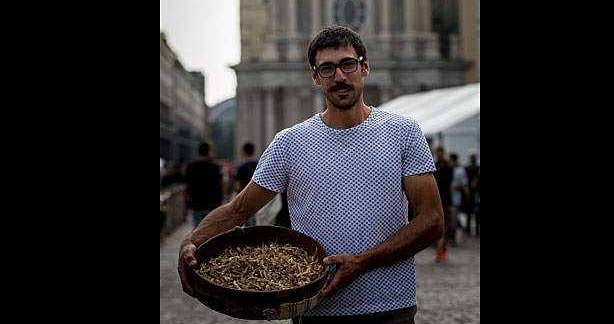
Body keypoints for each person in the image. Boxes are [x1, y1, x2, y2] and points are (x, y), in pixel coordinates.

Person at [178, 26, 444, 323]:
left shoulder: (403, 132)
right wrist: (193, 238)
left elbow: (432, 221)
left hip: (390, 306)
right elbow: (239, 209)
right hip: (315, 308)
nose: (340, 77)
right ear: (315, 76)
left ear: (364, 66)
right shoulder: (290, 143)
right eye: (327, 69)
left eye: (348, 64)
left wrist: (361, 262)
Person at [184, 140, 225, 228]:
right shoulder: (215, 167)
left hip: (196, 205)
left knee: (197, 233)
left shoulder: (191, 167)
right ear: (208, 152)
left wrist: (186, 205)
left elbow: (187, 187)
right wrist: (222, 202)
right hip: (212, 206)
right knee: (211, 234)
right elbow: (222, 184)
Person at [432, 146, 453, 261]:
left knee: (450, 225)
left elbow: (449, 180)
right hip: (437, 199)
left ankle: (443, 245)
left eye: (441, 152)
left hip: (447, 199)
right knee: (438, 226)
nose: (439, 154)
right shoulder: (433, 166)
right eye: (437, 152)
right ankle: (439, 250)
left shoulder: (448, 167)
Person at [449, 153, 469, 244]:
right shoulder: (448, 170)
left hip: (456, 198)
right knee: (453, 217)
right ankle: (459, 228)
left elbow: (464, 185)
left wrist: (457, 187)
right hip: (449, 197)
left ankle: (453, 236)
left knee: (455, 216)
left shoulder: (460, 171)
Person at [464, 149, 480, 236]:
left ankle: (468, 229)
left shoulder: (466, 168)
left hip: (470, 192)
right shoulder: (477, 168)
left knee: (470, 212)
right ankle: (475, 230)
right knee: (475, 212)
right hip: (475, 192)